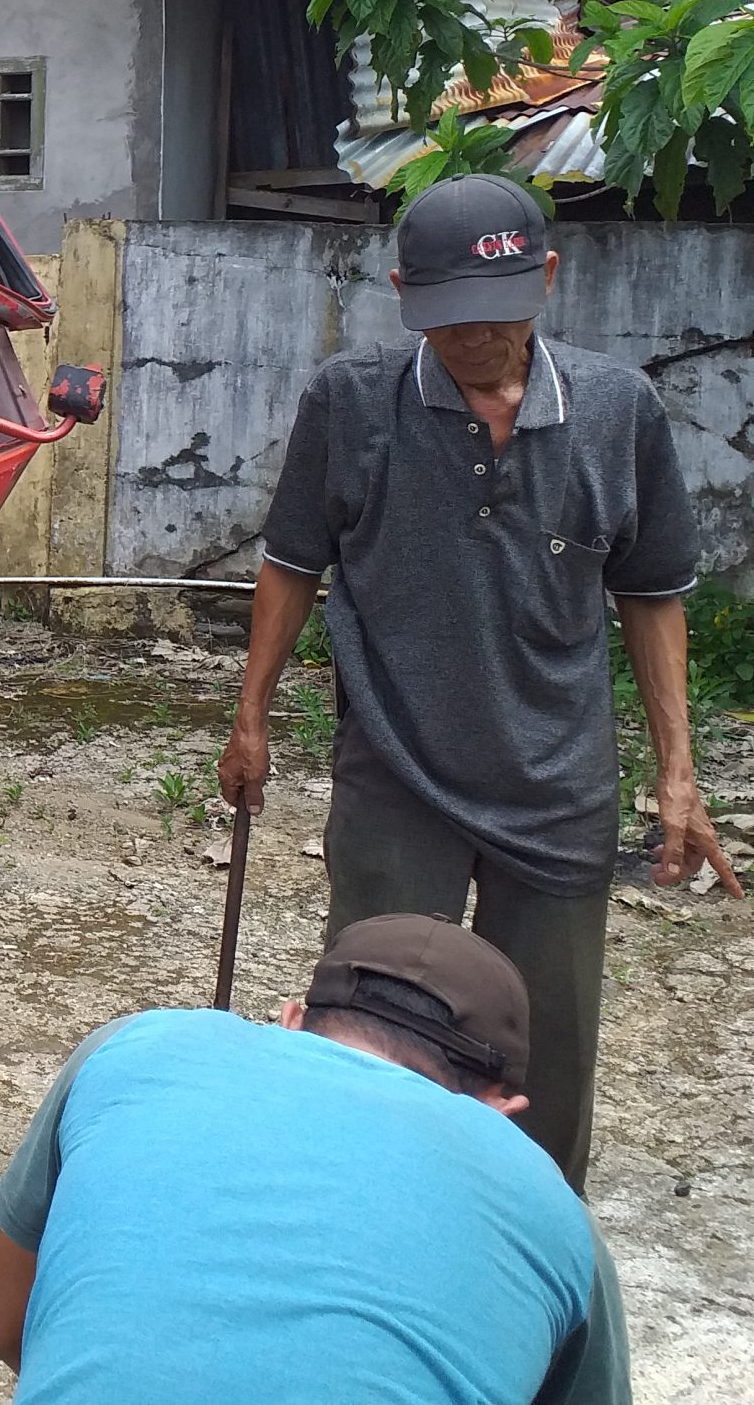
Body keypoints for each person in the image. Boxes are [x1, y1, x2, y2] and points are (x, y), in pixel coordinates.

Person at [217, 172, 741, 1188]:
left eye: (496, 319)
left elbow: (651, 597)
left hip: (555, 787)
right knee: (371, 1026)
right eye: (448, 320)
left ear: (545, 280)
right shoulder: (351, 400)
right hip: (395, 772)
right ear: (407, 295)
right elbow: (291, 561)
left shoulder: (616, 411)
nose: (473, 342)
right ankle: (363, 1213)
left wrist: (678, 774)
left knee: (544, 1045)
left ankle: (529, 1244)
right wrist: (251, 718)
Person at [0, 914, 628, 1403]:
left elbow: (2, 1323)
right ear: (500, 1113)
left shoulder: (128, 1048)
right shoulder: (558, 1219)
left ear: (290, 1021)